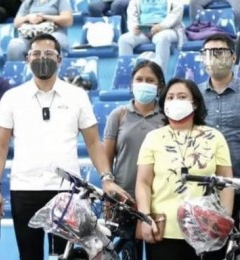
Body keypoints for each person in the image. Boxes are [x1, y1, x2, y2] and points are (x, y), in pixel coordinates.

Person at [0, 33, 131, 260]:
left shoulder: (77, 95)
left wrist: (106, 177)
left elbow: (93, 142)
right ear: (27, 59)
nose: (42, 58)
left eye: (48, 54)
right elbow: (0, 146)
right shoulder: (12, 97)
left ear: (60, 60)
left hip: (67, 191)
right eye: (36, 54)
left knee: (66, 256)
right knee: (29, 255)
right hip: (25, 188)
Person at [136, 78, 234, 260]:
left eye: (182, 97)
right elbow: (143, 182)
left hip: (207, 230)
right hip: (164, 230)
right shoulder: (153, 137)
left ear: (195, 103)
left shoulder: (215, 137)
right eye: (170, 97)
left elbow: (226, 182)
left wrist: (223, 221)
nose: (175, 102)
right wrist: (145, 218)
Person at [103, 59, 165, 259]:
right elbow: (106, 160)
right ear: (131, 84)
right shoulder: (118, 115)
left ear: (159, 86)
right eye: (139, 79)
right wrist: (109, 195)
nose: (144, 83)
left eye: (150, 80)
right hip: (124, 201)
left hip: (158, 199)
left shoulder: (166, 118)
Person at [198, 33, 240, 225]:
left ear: (233, 57)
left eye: (219, 52)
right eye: (206, 53)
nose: (212, 58)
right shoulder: (193, 95)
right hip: (205, 187)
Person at [118, 0, 184, 74]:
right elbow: (131, 14)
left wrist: (162, 26)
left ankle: (160, 77)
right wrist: (133, 26)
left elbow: (177, 12)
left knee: (162, 38)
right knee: (124, 40)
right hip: (143, 30)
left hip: (166, 29)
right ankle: (127, 76)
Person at [7, 0, 73, 61]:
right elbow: (16, 22)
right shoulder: (29, 2)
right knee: (15, 45)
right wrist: (28, 17)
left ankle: (52, 71)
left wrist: (44, 17)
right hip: (30, 37)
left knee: (51, 42)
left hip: (54, 33)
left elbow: (68, 20)